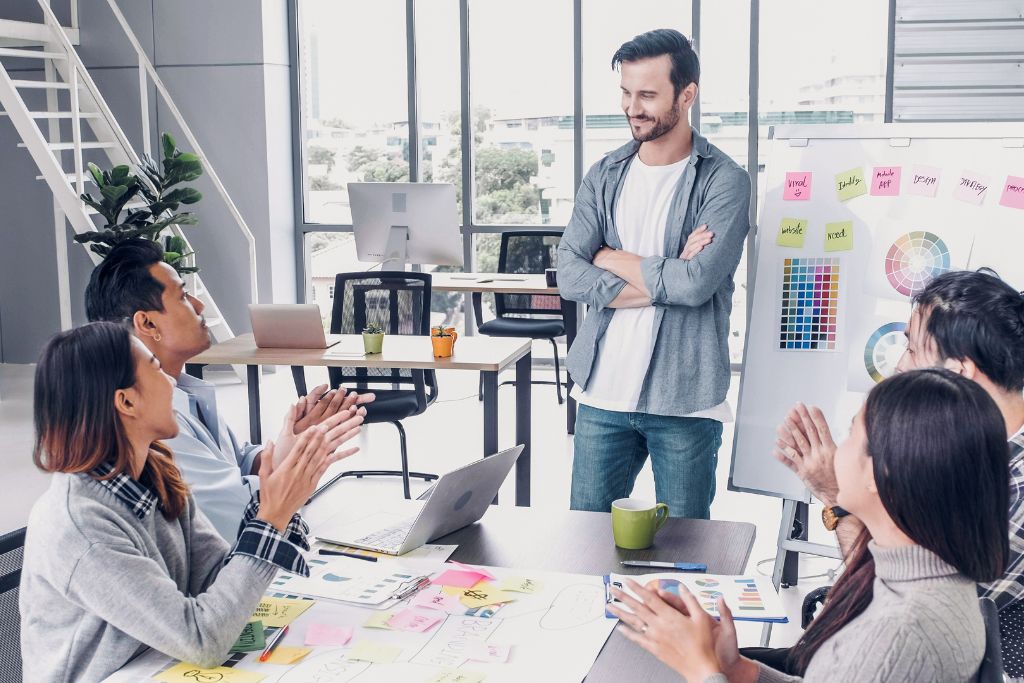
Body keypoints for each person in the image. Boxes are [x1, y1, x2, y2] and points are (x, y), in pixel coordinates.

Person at [608, 368, 1011, 682]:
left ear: (881, 472)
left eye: (852, 434)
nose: (835, 449)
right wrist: (737, 670)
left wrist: (701, 670)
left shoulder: (898, 638)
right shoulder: (925, 581)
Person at [20, 322, 362, 680]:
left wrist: (278, 499)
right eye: (155, 369)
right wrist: (271, 518)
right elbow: (203, 638)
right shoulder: (83, 526)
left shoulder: (156, 475)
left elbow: (217, 580)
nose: (171, 382)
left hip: (159, 666)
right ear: (126, 401)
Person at [774, 269, 1024, 675]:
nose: (898, 366)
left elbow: (912, 611)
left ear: (958, 373)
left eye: (911, 349)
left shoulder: (1012, 485)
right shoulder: (965, 448)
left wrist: (838, 497)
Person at [557, 28, 750, 520]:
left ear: (687, 94)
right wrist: (670, 276)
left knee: (686, 558)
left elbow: (699, 284)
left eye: (647, 94)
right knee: (586, 547)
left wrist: (610, 256)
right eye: (626, 92)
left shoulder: (724, 180)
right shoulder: (604, 174)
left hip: (684, 402)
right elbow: (569, 275)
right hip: (601, 393)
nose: (632, 107)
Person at [84, 238, 372, 540]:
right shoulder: (152, 421)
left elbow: (240, 462)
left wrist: (294, 441)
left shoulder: (184, 392)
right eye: (183, 297)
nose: (199, 305)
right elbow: (239, 513)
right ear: (148, 323)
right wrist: (304, 459)